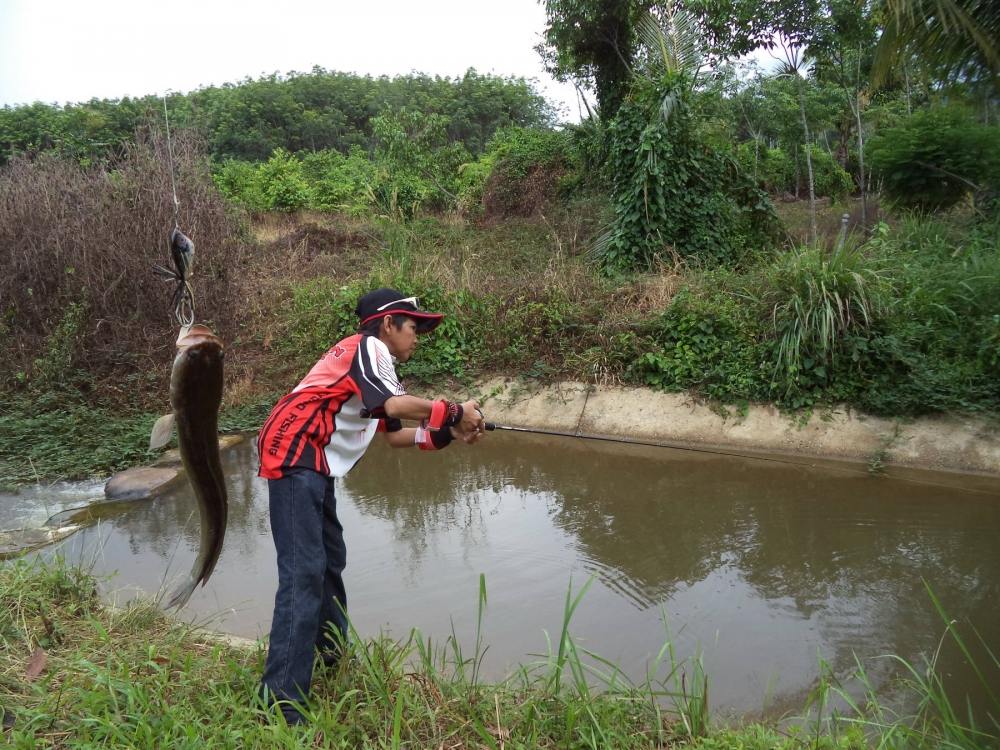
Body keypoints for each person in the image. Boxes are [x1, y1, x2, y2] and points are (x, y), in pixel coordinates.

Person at [255, 288, 485, 724]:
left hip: (312, 461)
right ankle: (280, 703)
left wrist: (446, 433)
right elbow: (393, 406)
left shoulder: (379, 366)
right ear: (387, 324)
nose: (418, 336)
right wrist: (453, 411)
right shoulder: (369, 347)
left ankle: (327, 656)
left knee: (329, 562)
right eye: (414, 326)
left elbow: (396, 434)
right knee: (304, 573)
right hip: (294, 453)